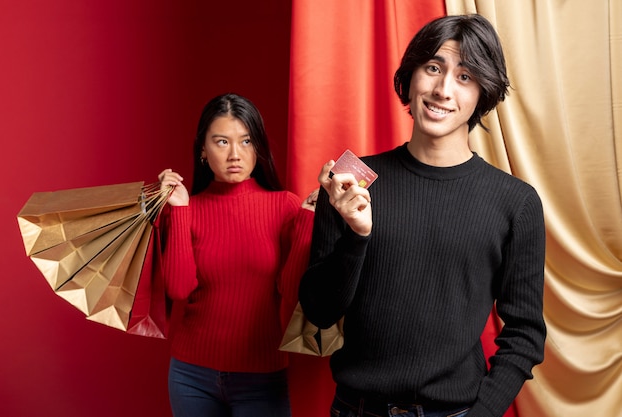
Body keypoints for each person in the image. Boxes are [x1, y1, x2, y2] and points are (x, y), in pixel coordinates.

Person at [299, 14, 546, 417]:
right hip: (355, 408)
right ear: (411, 76)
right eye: (434, 68)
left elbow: (525, 334)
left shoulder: (515, 203)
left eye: (465, 76)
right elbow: (320, 312)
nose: (443, 89)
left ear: (483, 92)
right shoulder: (351, 186)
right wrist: (357, 236)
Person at [158, 93, 317, 417]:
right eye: (221, 142)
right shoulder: (189, 208)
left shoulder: (285, 206)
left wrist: (307, 222)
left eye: (246, 141)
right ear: (203, 149)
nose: (235, 154)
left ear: (258, 146)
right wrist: (178, 210)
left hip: (262, 376)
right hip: (191, 374)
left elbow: (292, 292)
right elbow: (177, 289)